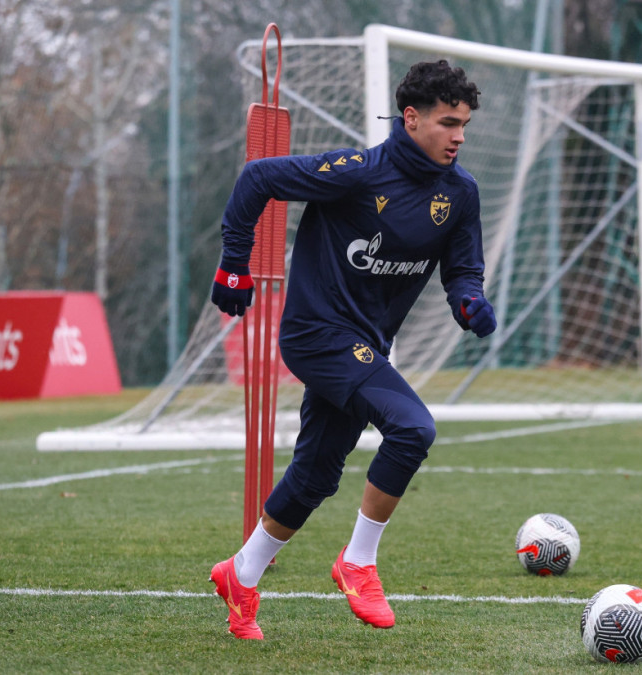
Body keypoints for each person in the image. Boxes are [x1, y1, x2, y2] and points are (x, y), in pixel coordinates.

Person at [208, 60, 496, 639]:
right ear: (411, 118)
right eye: (448, 123)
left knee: (316, 475)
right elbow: (258, 178)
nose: (459, 136)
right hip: (316, 334)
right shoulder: (359, 172)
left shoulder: (460, 192)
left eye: (464, 124)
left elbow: (463, 269)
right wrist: (234, 264)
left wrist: (469, 300)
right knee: (413, 429)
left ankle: (240, 573)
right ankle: (358, 562)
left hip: (366, 345)